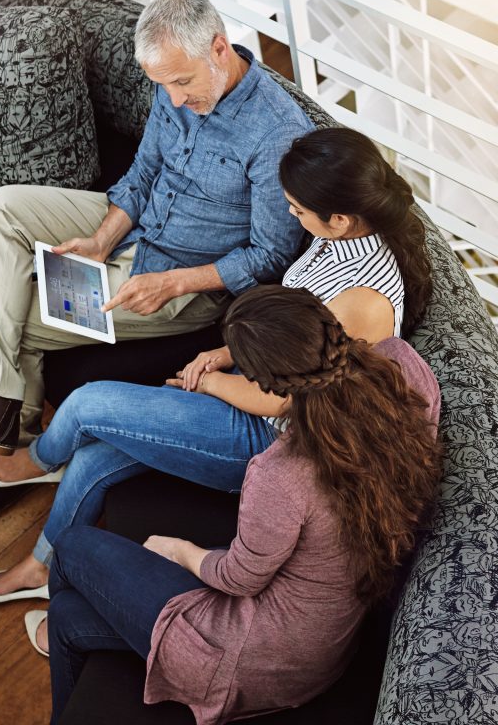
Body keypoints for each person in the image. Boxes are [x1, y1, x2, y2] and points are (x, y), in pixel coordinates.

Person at [0, 127, 433, 601]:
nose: (291, 215)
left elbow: (280, 400)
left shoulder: (363, 302)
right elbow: (287, 331)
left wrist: (209, 384)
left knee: (87, 405)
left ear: (340, 218)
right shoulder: (335, 240)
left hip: (272, 436)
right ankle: (41, 567)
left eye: (298, 210)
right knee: (92, 458)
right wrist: (221, 354)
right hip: (250, 381)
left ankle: (39, 459)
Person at [0, 0, 311, 470]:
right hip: (131, 227)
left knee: (17, 319)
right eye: (163, 85)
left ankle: (15, 444)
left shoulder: (277, 135)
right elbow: (144, 172)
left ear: (218, 48)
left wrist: (173, 283)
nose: (173, 98)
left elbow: (269, 255)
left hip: (184, 280)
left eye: (181, 82)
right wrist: (100, 241)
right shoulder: (175, 84)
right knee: (0, 208)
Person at [30, 286, 443, 724]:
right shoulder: (405, 368)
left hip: (251, 661)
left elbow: (240, 578)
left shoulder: (282, 472)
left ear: (268, 385)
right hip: (327, 644)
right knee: (68, 619)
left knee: (73, 545)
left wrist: (180, 551)